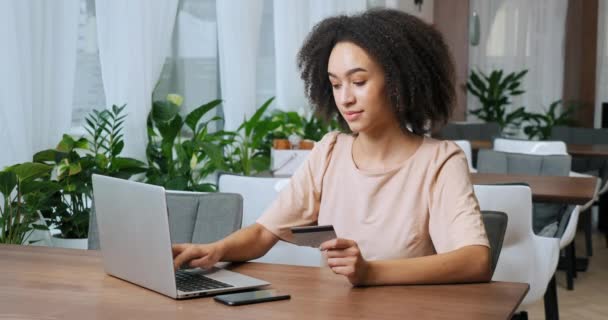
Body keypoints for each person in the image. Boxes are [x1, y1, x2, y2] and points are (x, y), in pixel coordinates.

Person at [172, 9, 491, 286]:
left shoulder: (439, 161)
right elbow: (262, 233)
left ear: (399, 82)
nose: (345, 98)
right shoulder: (330, 151)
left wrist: (371, 273)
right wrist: (215, 250)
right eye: (336, 84)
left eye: (359, 82)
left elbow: (475, 260)